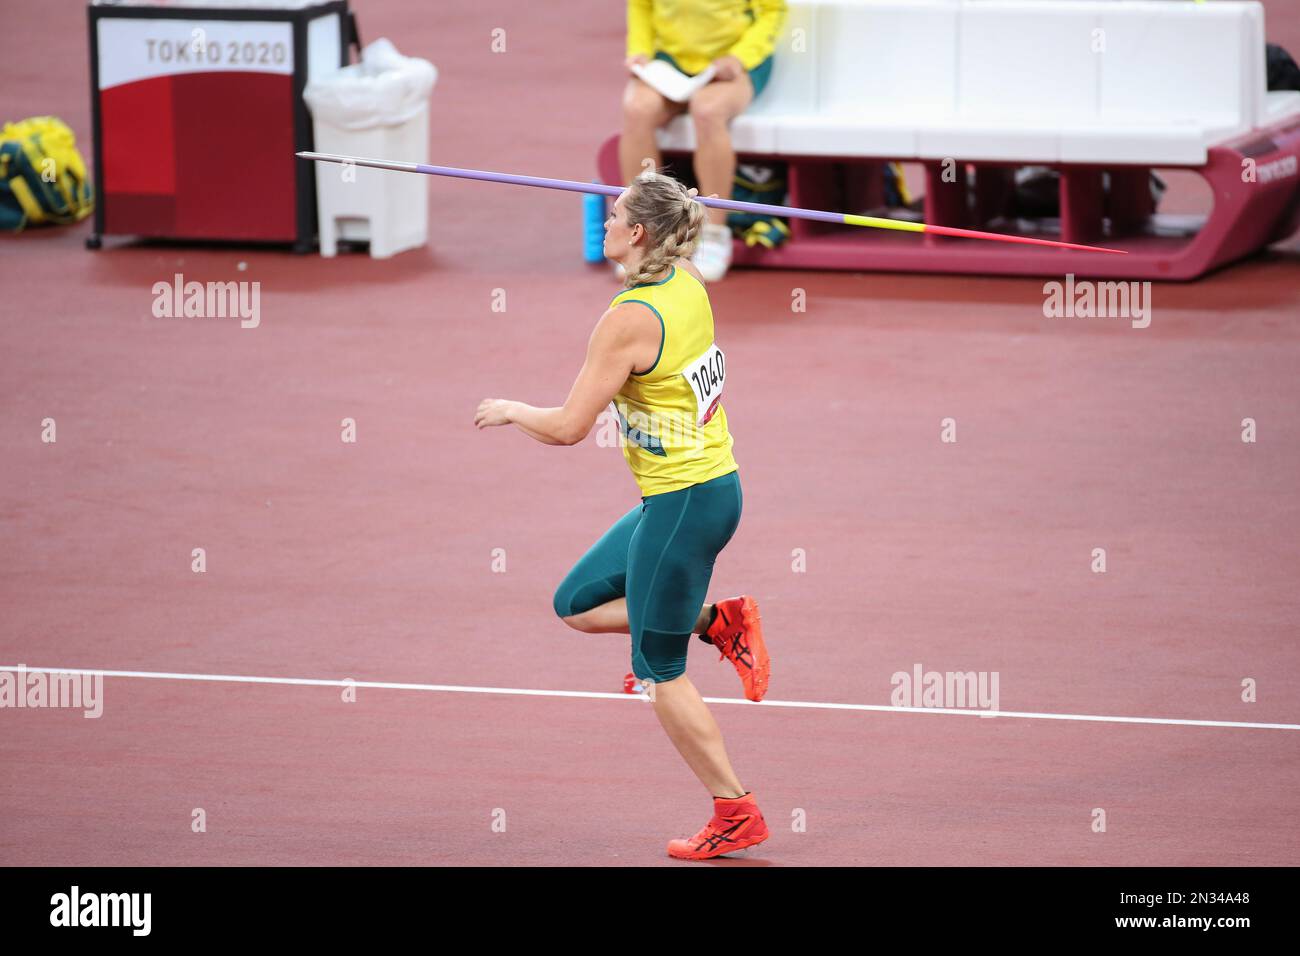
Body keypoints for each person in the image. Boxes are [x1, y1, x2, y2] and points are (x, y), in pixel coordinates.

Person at [473, 171, 772, 860]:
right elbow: (669, 216)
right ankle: (717, 621)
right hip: (700, 491)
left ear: (638, 234)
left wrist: (513, 409)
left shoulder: (629, 319)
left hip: (686, 501)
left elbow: (571, 427)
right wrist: (663, 189)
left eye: (613, 216)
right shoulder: (687, 280)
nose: (603, 224)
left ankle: (736, 810)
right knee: (576, 604)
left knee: (658, 669)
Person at [621, 0, 787, 281]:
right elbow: (641, 5)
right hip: (670, 61)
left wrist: (739, 57)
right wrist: (639, 50)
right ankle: (643, 229)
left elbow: (773, 11)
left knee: (707, 110)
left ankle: (713, 233)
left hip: (733, 61)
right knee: (637, 109)